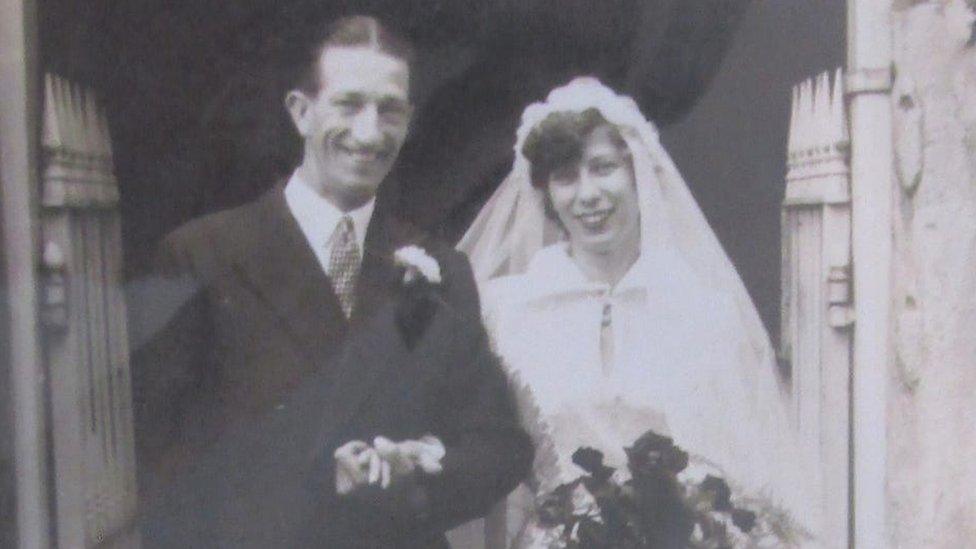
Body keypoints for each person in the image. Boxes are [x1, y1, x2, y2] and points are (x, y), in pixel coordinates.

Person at [131, 15, 532, 548]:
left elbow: (499, 447)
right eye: (348, 104)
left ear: (409, 122)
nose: (369, 133)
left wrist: (416, 469)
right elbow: (161, 468)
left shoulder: (440, 268)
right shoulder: (203, 254)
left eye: (389, 110)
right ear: (301, 111)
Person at [459, 77, 810, 546]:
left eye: (603, 168)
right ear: (546, 192)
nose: (587, 195)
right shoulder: (506, 313)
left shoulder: (702, 311)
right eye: (566, 176)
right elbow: (480, 465)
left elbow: (750, 477)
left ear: (638, 174)